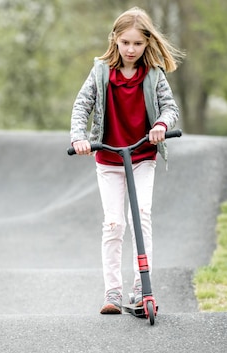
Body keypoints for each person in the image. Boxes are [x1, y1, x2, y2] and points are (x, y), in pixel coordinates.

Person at [70, 7, 182, 314]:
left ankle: (140, 288)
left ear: (147, 44)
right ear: (115, 41)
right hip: (108, 157)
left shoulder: (154, 75)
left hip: (142, 155)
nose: (131, 49)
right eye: (125, 43)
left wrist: (160, 126)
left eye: (137, 44)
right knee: (114, 223)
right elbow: (82, 105)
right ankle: (113, 292)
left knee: (141, 215)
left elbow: (169, 109)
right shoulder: (101, 71)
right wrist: (79, 137)